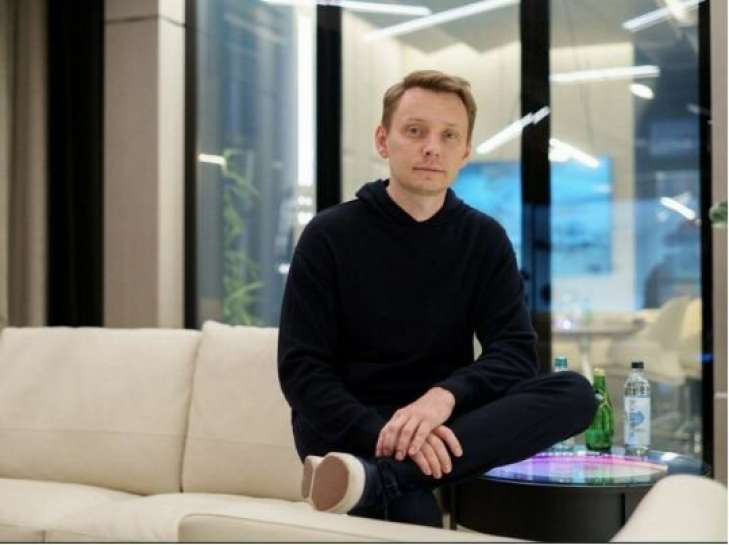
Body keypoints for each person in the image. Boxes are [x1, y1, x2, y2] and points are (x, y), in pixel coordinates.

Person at [277, 70, 596, 528]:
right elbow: (302, 370)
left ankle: (381, 480)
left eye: (449, 135)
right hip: (348, 429)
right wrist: (384, 433)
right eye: (415, 131)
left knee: (575, 393)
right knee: (416, 519)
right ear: (383, 140)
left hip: (443, 421)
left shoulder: (484, 239)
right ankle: (386, 475)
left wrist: (443, 397)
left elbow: (514, 353)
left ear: (464, 151)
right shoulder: (328, 235)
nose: (432, 147)